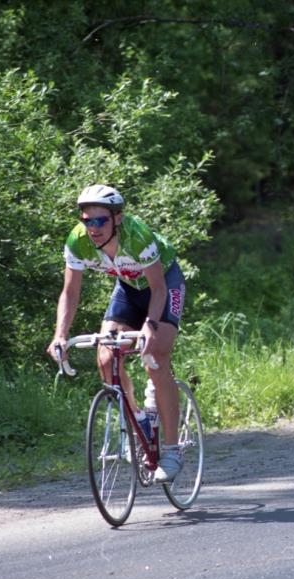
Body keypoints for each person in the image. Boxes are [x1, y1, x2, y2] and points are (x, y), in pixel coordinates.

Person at [47, 185, 186, 483]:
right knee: (106, 357)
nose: (93, 228)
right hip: (128, 289)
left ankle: (172, 450)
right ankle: (139, 421)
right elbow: (70, 292)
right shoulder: (77, 241)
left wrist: (150, 325)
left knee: (156, 358)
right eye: (87, 220)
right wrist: (60, 335)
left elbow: (159, 289)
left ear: (117, 218)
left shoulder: (137, 237)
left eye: (100, 220)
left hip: (164, 285)